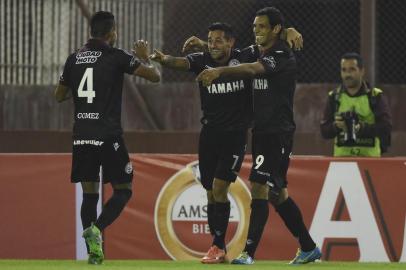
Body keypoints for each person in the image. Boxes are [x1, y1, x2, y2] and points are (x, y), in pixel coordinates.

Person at [196, 7, 321, 265]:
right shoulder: (259, 48)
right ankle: (308, 247)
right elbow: (237, 55)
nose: (256, 31)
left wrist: (219, 72)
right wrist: (205, 46)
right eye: (254, 27)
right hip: (262, 131)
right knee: (278, 195)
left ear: (275, 30)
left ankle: (248, 253)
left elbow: (252, 69)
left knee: (259, 187)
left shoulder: (280, 54)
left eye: (262, 27)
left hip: (278, 132)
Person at [54, 11, 160, 264]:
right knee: (124, 189)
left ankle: (94, 253)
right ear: (112, 32)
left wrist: (80, 90)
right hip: (108, 135)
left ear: (91, 31)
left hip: (82, 136)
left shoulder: (74, 58)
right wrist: (146, 59)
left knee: (89, 195)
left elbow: (59, 95)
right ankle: (97, 229)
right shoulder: (116, 56)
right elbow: (154, 77)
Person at [151, 22, 255, 264]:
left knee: (220, 188)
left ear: (231, 42)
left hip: (235, 135)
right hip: (209, 135)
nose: (213, 44)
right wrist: (159, 58)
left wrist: (289, 32)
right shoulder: (201, 59)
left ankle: (218, 247)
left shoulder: (245, 56)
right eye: (210, 39)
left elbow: (270, 48)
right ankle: (217, 246)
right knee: (210, 192)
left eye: (219, 40)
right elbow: (177, 62)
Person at [320, 52, 392, 157]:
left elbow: (386, 127)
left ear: (362, 71)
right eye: (344, 70)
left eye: (352, 69)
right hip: (341, 162)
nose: (347, 74)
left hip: (370, 160)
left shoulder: (375, 96)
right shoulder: (334, 97)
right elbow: (324, 132)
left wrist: (361, 128)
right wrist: (336, 126)